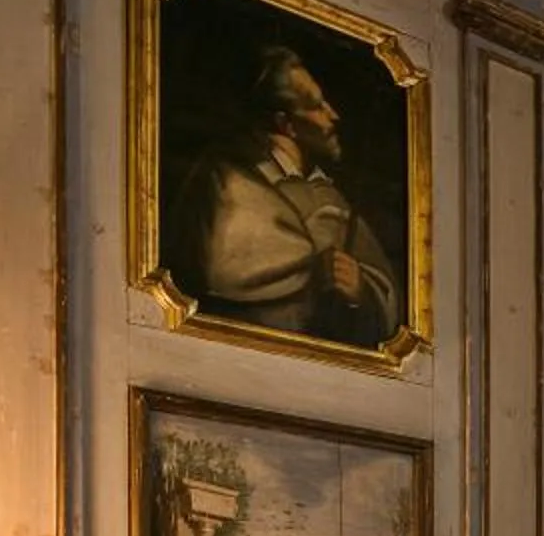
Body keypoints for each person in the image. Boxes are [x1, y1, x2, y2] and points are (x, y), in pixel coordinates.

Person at [167, 45, 402, 347]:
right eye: (317, 106)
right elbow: (220, 274)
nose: (334, 115)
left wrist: (360, 289)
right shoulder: (227, 184)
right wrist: (313, 271)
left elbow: (387, 319)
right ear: (285, 123)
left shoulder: (330, 195)